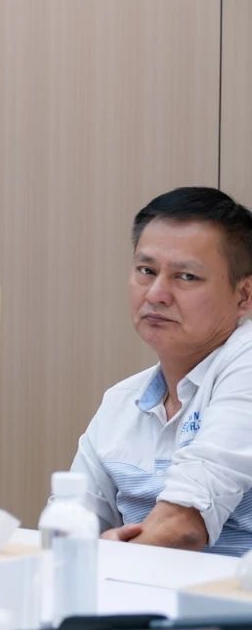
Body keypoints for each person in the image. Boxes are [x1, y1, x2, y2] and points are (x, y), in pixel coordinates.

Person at [73, 187, 252, 556]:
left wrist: (103, 557)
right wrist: (82, 550)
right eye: (147, 271)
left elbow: (182, 528)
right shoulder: (121, 401)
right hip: (141, 586)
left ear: (244, 296)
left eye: (186, 277)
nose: (156, 294)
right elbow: (68, 526)